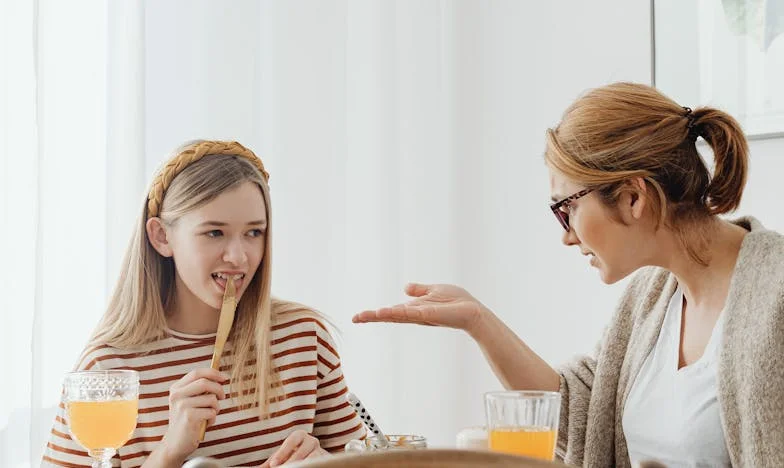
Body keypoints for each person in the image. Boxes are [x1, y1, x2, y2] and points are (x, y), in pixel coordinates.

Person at [354, 83, 784, 467]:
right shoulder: (652, 298)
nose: (566, 236)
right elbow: (584, 416)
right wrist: (478, 322)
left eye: (567, 209)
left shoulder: (774, 294)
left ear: (634, 196)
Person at [44, 140, 365, 467]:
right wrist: (170, 450)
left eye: (254, 233)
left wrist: (326, 463)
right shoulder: (107, 370)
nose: (239, 257)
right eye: (214, 233)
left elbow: (364, 458)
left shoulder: (303, 339)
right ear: (161, 237)